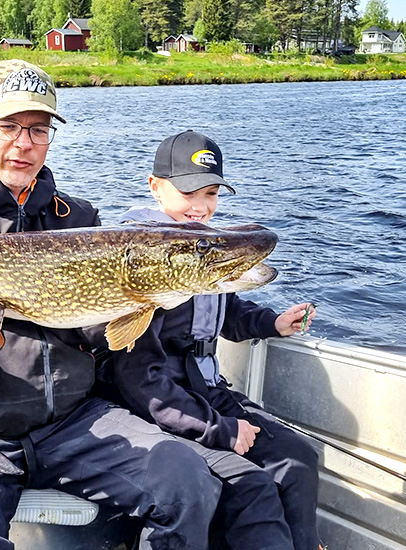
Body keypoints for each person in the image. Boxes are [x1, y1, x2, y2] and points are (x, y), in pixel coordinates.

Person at [0, 60, 222, 550]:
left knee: (187, 480)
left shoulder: (80, 217)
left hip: (71, 422)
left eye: (39, 130)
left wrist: (134, 301)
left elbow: (96, 339)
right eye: (9, 127)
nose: (24, 143)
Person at [104, 130, 322, 550]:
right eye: (188, 193)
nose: (201, 207)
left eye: (211, 194)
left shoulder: (206, 253)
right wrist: (217, 430)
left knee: (298, 460)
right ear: (155, 187)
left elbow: (226, 314)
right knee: (252, 487)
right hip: (163, 403)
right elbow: (137, 380)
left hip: (207, 389)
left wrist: (272, 324)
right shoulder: (141, 259)